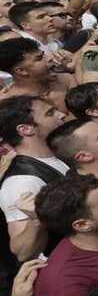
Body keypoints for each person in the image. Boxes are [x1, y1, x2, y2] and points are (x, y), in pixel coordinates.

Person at [0, 96, 69, 260]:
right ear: (26, 129)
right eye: (50, 113)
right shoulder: (21, 181)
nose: (61, 115)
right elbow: (23, 252)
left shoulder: (59, 154)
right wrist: (35, 220)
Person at [0, 37, 76, 113]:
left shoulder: (65, 80)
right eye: (39, 58)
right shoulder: (7, 104)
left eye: (44, 54)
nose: (49, 58)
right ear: (21, 71)